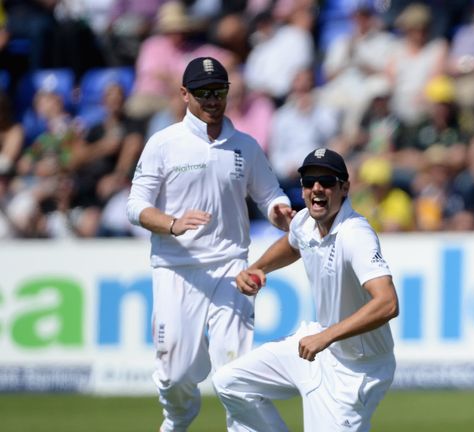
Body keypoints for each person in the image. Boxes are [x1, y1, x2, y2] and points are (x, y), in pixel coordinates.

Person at [125, 56, 295, 432]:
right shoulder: (164, 143)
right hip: (176, 268)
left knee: (234, 372)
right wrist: (172, 223)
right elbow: (135, 206)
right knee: (176, 374)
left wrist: (281, 212)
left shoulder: (245, 146)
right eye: (203, 93)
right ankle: (178, 418)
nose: (212, 100)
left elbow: (269, 196)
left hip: (232, 268)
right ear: (185, 95)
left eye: (219, 91)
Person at [213, 148, 399, 432]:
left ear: (344, 187)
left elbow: (387, 303)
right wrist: (258, 268)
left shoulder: (355, 234)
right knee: (230, 382)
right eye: (309, 181)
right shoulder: (305, 222)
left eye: (326, 181)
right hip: (316, 347)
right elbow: (293, 243)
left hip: (358, 369)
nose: (316, 189)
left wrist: (326, 336)